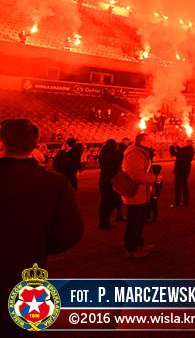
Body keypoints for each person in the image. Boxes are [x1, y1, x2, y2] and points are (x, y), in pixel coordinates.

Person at [1, 119, 83, 337]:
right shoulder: (54, 183)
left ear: (2, 144)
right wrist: (39, 245)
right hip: (30, 266)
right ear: (35, 144)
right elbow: (72, 232)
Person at [122, 133, 156, 258]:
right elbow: (136, 176)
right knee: (134, 222)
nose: (151, 142)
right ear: (142, 141)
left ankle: (138, 244)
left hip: (140, 193)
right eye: (149, 140)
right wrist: (154, 178)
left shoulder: (140, 152)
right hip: (135, 193)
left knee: (139, 221)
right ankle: (131, 250)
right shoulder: (135, 154)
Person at [98, 139, 122, 229]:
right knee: (109, 201)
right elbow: (117, 162)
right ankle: (104, 223)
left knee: (106, 202)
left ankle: (104, 222)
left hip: (106, 179)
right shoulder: (111, 153)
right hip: (110, 179)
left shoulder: (104, 152)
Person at [169, 139, 194, 207]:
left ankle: (178, 202)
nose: (183, 143)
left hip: (180, 170)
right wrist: (176, 146)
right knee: (184, 186)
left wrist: (172, 146)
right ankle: (185, 201)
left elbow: (174, 153)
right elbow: (180, 152)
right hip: (186, 170)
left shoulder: (185, 150)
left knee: (178, 186)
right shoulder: (191, 150)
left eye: (185, 142)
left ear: (187, 143)